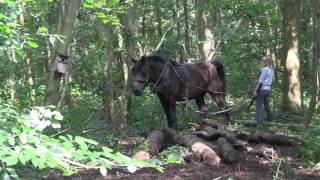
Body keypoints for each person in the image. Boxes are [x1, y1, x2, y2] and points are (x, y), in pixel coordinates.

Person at [254, 56, 275, 128]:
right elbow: (273, 80)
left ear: (265, 62)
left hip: (262, 89)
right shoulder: (271, 70)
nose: (261, 62)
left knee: (259, 106)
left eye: (262, 61)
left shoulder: (265, 69)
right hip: (268, 89)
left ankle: (260, 124)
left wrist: (256, 90)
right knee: (267, 105)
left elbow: (261, 81)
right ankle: (270, 119)